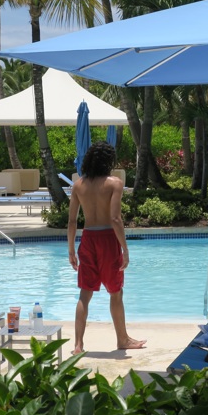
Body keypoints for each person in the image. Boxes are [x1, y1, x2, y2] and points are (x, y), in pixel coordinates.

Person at [67, 141, 146, 354]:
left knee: (85, 294)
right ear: (109, 161)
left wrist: (71, 250)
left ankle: (78, 344)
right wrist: (125, 249)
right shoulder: (114, 183)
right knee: (115, 292)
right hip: (108, 240)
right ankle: (122, 339)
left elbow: (72, 221)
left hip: (88, 239)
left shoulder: (78, 185)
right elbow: (115, 218)